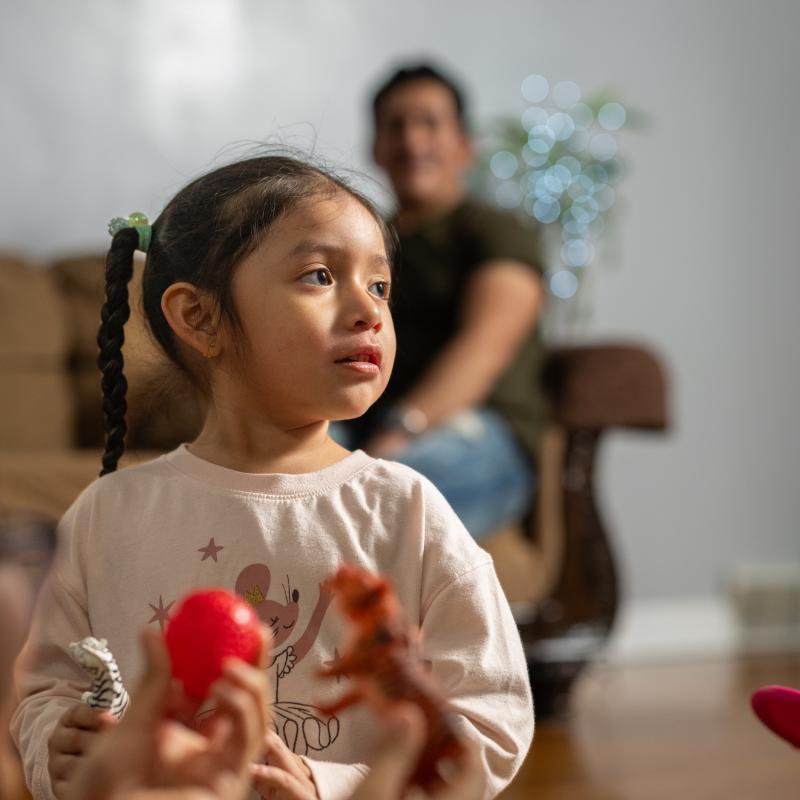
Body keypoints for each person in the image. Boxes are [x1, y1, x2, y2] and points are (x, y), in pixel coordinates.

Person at [10, 155, 533, 800]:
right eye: (319, 275)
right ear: (199, 318)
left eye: (379, 286)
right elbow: (43, 688)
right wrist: (57, 744)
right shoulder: (107, 514)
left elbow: (491, 717)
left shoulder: (408, 508)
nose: (368, 311)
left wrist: (333, 783)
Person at [334, 64, 546, 541]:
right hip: (366, 429)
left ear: (463, 144)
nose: (412, 140)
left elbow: (486, 344)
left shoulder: (494, 229)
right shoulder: (362, 244)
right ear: (375, 147)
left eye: (429, 123)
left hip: (480, 434)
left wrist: (399, 433)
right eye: (396, 125)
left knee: (384, 504)